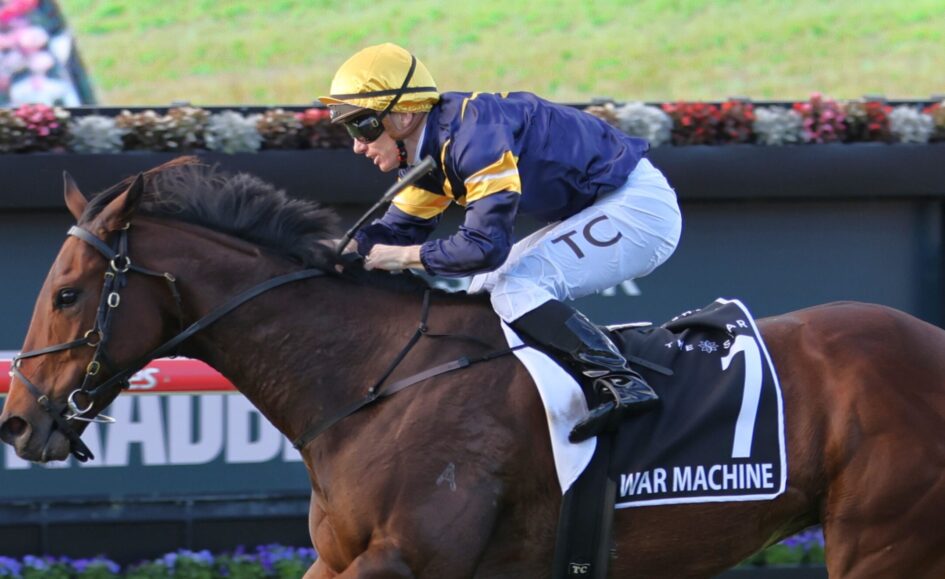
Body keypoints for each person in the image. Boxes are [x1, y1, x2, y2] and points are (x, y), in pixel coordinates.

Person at [319, 43, 682, 442]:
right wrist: (331, 249)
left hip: (638, 208)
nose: (357, 145)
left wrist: (402, 257)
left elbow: (484, 247)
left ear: (403, 115)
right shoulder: (429, 149)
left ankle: (623, 384)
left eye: (362, 126)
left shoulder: (474, 137)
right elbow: (392, 234)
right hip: (599, 205)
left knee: (515, 288)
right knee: (483, 293)